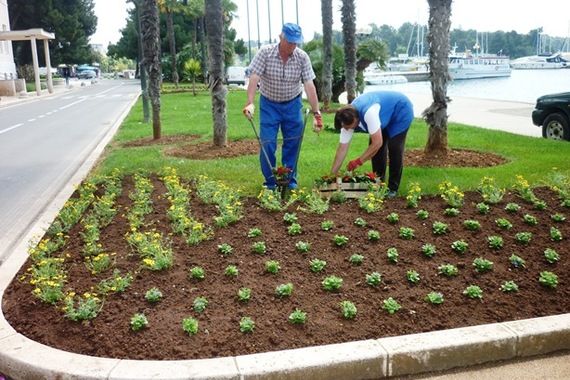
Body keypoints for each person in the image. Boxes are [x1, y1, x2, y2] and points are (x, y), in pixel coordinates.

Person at [243, 23, 323, 190]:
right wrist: (250, 102)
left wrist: (316, 113)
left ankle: (289, 181)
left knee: (293, 143)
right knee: (267, 143)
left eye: (296, 43)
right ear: (281, 38)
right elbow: (254, 77)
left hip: (293, 104)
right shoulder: (265, 53)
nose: (293, 46)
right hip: (269, 104)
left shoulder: (302, 57)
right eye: (290, 42)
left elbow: (309, 85)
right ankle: (270, 182)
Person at [330, 91, 414, 196]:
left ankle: (393, 188)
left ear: (356, 119)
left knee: (395, 148)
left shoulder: (369, 113)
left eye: (348, 126)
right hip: (383, 117)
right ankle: (379, 184)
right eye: (344, 127)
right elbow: (342, 149)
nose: (347, 129)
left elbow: (377, 143)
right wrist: (331, 176)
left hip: (400, 110)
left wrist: (358, 162)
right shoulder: (346, 117)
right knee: (376, 152)